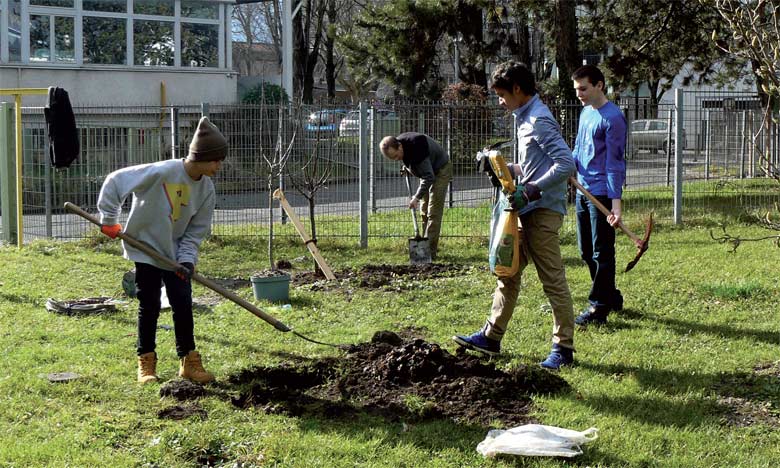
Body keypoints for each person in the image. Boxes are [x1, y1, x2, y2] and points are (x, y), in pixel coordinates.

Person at [453, 61, 577, 370]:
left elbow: (565, 164)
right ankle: (490, 337)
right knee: (507, 273)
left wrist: (533, 189)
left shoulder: (539, 119)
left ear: (518, 89)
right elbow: (533, 166)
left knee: (552, 280)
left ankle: (563, 349)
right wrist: (502, 167)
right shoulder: (523, 118)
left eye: (502, 95)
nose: (499, 101)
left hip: (543, 211)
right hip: (523, 207)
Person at [97, 116, 227, 384]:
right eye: (216, 160)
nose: (219, 166)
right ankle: (146, 362)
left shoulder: (206, 189)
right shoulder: (161, 172)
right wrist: (109, 220)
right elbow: (115, 181)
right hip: (145, 247)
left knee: (183, 303)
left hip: (174, 254)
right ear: (201, 157)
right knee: (150, 304)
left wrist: (187, 260)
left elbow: (195, 231)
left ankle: (188, 362)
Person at [570, 65, 627, 326]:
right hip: (582, 190)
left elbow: (615, 163)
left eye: (583, 88)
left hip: (601, 194)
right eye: (576, 89)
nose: (579, 94)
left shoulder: (613, 118)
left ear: (599, 86)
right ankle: (611, 296)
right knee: (585, 251)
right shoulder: (585, 113)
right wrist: (566, 167)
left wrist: (616, 204)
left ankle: (598, 307)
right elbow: (578, 149)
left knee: (602, 253)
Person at [380, 132, 453, 260]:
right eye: (393, 159)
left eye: (396, 156)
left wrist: (416, 197)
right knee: (424, 211)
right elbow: (413, 163)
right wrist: (407, 168)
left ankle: (429, 253)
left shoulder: (417, 147)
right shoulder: (400, 145)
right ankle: (424, 245)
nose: (397, 159)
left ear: (400, 146)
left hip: (441, 170)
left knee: (433, 212)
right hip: (427, 171)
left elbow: (429, 177)